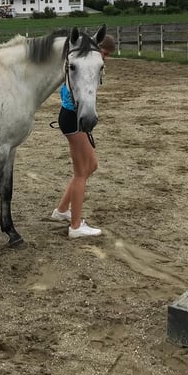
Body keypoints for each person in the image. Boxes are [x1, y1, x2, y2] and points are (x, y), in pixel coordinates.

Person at [50, 34, 115, 238]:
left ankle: (61, 211)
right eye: (104, 53)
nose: (105, 58)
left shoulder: (87, 66)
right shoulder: (80, 65)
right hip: (72, 120)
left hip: (73, 119)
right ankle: (76, 226)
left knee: (91, 165)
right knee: (81, 172)